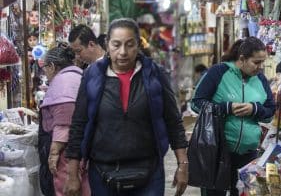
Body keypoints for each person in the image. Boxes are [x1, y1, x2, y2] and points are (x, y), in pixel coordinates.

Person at [64, 18, 189, 196]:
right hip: (102, 174)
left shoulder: (154, 74)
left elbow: (173, 121)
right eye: (116, 44)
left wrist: (183, 164)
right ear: (107, 45)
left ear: (138, 45)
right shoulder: (92, 76)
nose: (122, 52)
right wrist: (72, 174)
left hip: (149, 174)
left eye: (129, 45)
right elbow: (78, 124)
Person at [191, 37, 276, 196]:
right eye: (256, 62)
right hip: (217, 152)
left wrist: (255, 109)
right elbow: (196, 103)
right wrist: (226, 108)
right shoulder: (218, 72)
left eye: (263, 62)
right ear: (242, 59)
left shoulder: (261, 79)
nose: (260, 67)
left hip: (248, 154)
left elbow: (270, 112)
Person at [38, 45, 90, 196]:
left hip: (67, 155)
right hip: (81, 149)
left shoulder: (63, 83)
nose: (45, 73)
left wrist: (53, 153)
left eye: (45, 68)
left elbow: (65, 124)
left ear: (52, 66)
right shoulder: (78, 76)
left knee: (68, 190)